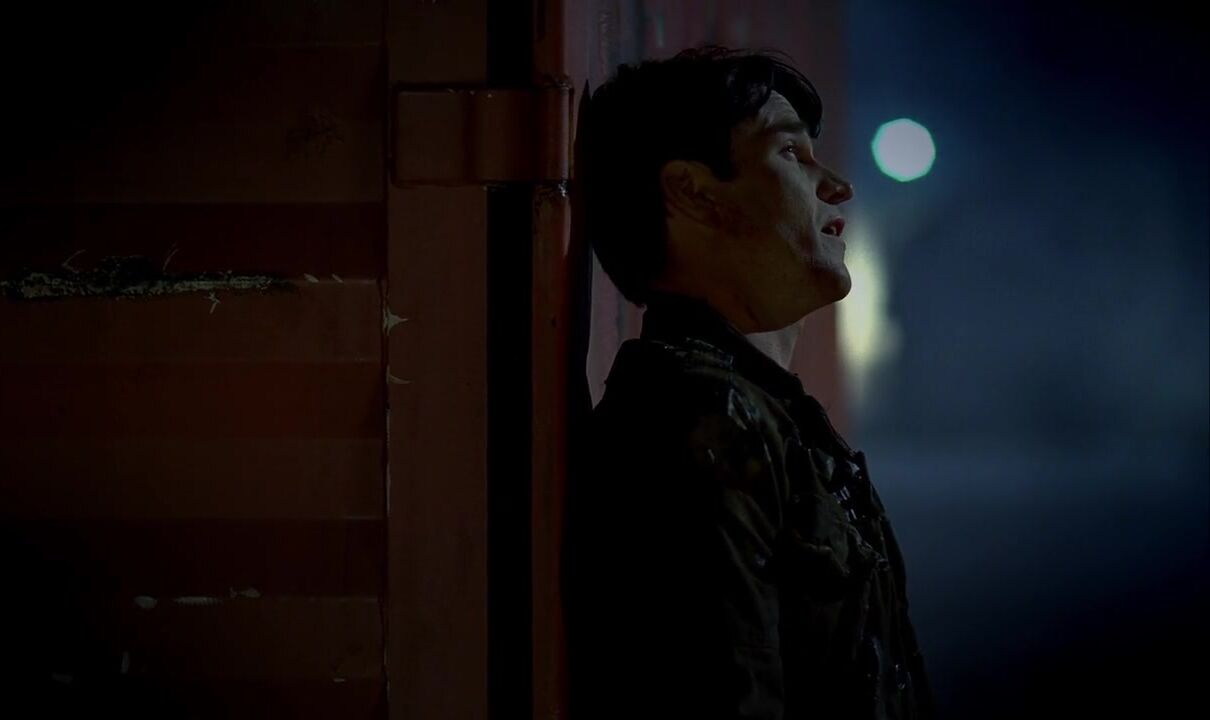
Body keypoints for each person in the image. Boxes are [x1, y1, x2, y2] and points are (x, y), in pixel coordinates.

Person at [563, 46, 933, 719]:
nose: (836, 186)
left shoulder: (750, 410)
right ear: (693, 192)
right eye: (790, 152)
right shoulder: (702, 420)